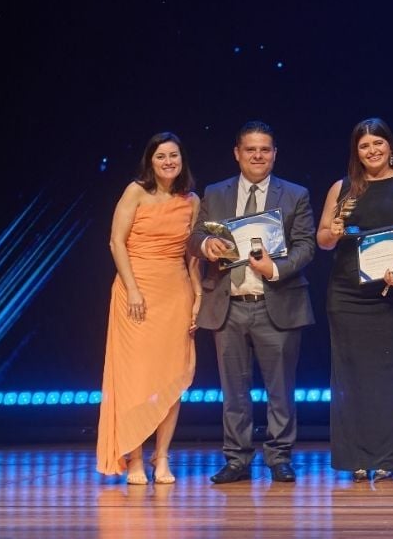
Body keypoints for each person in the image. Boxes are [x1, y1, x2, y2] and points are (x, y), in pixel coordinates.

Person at [188, 121, 316, 485]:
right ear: (237, 153)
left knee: (280, 389)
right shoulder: (216, 192)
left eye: (265, 149)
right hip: (228, 305)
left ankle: (279, 457)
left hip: (275, 300)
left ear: (274, 154)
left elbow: (306, 245)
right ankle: (237, 459)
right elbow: (196, 235)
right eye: (251, 149)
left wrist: (276, 268)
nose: (258, 156)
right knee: (234, 391)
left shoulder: (295, 194)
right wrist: (204, 246)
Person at [317, 118, 393, 481]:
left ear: (390, 146)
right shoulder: (343, 188)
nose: (372, 151)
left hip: (392, 294)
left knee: (390, 378)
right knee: (350, 377)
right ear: (356, 152)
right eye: (364, 146)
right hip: (346, 295)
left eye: (378, 143)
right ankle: (356, 458)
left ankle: (388, 458)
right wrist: (331, 232)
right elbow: (323, 239)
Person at [96, 132, 201, 485]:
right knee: (136, 380)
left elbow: (192, 255)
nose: (168, 162)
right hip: (135, 291)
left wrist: (198, 294)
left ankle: (163, 457)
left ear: (182, 160)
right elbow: (116, 242)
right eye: (161, 157)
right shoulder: (135, 192)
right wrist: (134, 289)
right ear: (150, 162)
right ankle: (135, 457)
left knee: (172, 379)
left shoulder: (191, 200)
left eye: (174, 155)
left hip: (176, 292)